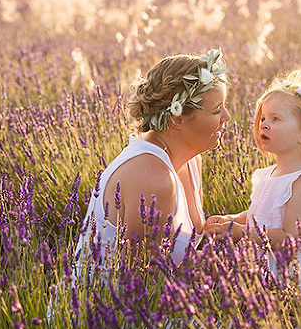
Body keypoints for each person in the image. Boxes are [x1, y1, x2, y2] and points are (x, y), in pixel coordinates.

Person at [73, 49, 230, 285]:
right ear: (177, 118)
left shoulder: (190, 159)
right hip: (107, 314)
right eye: (217, 110)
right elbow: (138, 284)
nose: (226, 117)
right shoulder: (152, 179)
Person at [204, 69, 301, 295]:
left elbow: (290, 238)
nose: (264, 124)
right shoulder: (269, 174)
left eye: (275, 119)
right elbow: (261, 212)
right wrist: (232, 219)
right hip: (263, 270)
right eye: (263, 118)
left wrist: (242, 232)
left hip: (292, 279)